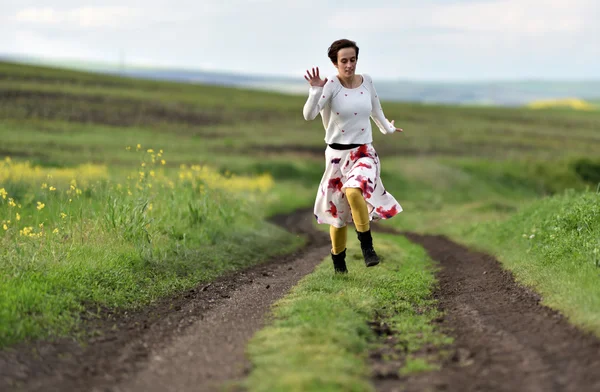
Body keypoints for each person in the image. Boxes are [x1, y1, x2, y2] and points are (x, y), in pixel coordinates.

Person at [303, 38, 403, 274]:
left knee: (354, 189)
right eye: (344, 61)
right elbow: (309, 115)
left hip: (363, 152)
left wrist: (387, 128)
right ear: (335, 63)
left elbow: (376, 112)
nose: (349, 65)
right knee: (337, 217)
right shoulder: (330, 86)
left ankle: (367, 247)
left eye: (353, 60)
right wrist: (315, 89)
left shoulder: (366, 81)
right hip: (337, 157)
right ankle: (339, 263)